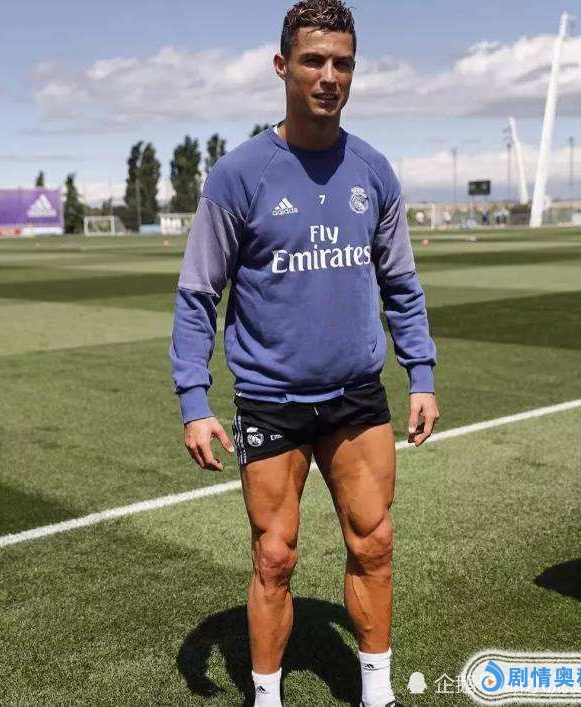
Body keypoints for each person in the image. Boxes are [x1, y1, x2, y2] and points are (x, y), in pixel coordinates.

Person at [169, 2, 440, 705]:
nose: (329, 76)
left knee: (374, 542)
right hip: (271, 399)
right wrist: (194, 400)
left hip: (356, 397)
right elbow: (198, 292)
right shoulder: (240, 174)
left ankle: (377, 692)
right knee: (274, 555)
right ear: (282, 66)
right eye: (313, 60)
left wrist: (421, 373)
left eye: (342, 63)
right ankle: (267, 696)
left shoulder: (373, 170)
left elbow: (400, 283)